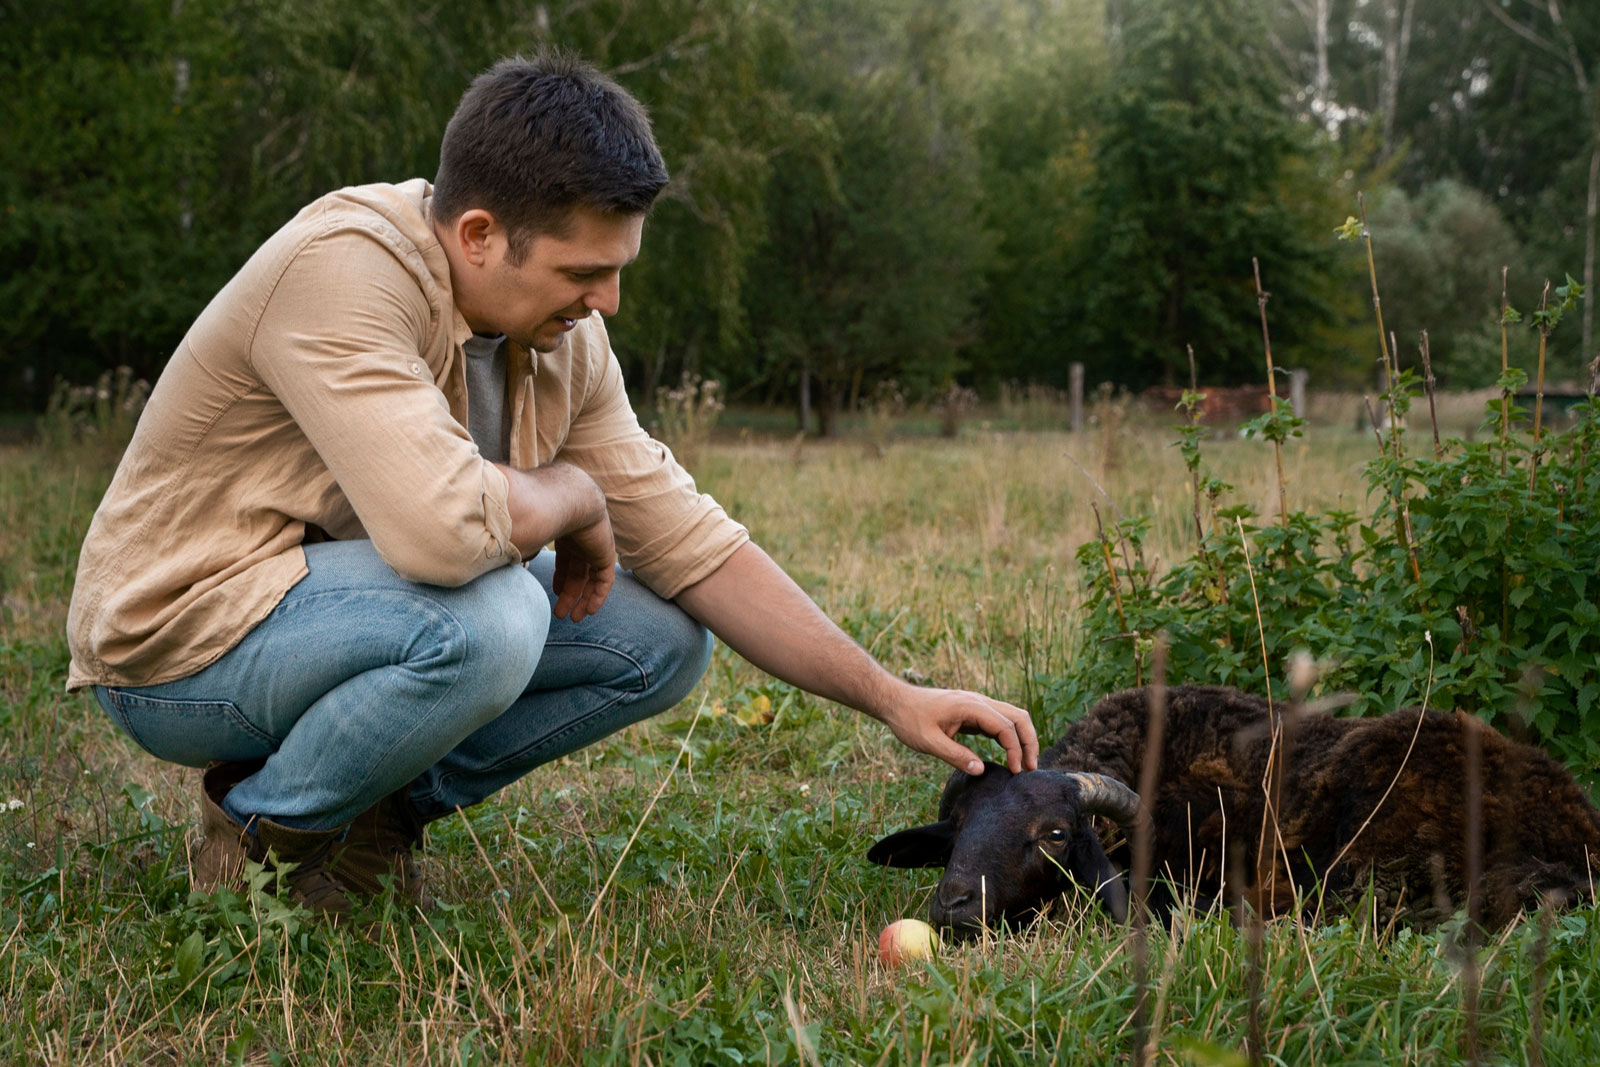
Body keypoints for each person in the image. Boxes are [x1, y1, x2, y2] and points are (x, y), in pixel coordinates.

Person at [65, 51, 1037, 920]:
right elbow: (440, 535)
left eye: (616, 270)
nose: (607, 301)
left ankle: (366, 821)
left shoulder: (562, 335)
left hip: (339, 618)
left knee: (660, 638)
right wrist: (573, 495)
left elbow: (689, 541)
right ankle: (258, 835)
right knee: (489, 617)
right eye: (585, 271)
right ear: (479, 234)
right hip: (180, 646)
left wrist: (889, 694)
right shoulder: (343, 272)